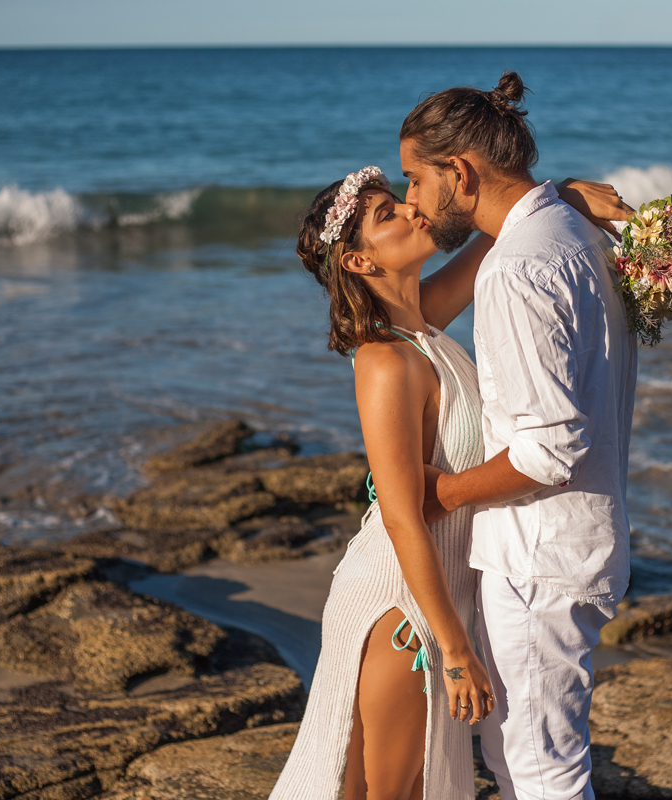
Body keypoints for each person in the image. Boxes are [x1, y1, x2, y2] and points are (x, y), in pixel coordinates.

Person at [268, 160, 630, 797]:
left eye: (401, 198)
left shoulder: (423, 323)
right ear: (358, 262)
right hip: (402, 606)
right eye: (387, 214)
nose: (413, 208)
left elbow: (502, 225)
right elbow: (401, 515)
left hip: (442, 597)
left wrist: (563, 194)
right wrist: (456, 649)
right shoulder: (384, 360)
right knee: (388, 792)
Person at [403, 71, 639, 800]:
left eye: (415, 179)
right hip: (577, 539)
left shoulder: (516, 269)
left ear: (460, 172)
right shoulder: (573, 232)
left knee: (540, 774)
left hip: (539, 555)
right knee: (531, 764)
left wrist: (443, 494)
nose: (411, 200)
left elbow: (549, 450)